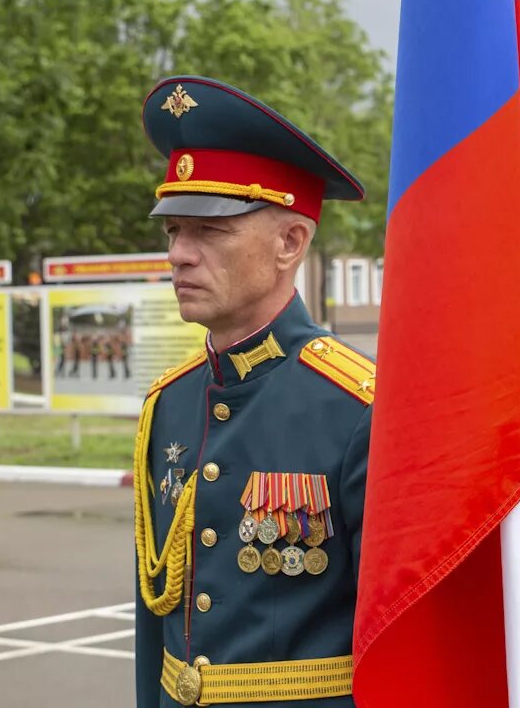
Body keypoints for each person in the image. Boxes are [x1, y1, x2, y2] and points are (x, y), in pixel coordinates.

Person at [133, 76, 375, 707]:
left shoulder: (358, 409)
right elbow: (155, 629)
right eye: (173, 231)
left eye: (209, 232)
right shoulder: (169, 405)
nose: (179, 255)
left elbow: (400, 642)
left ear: (289, 243)